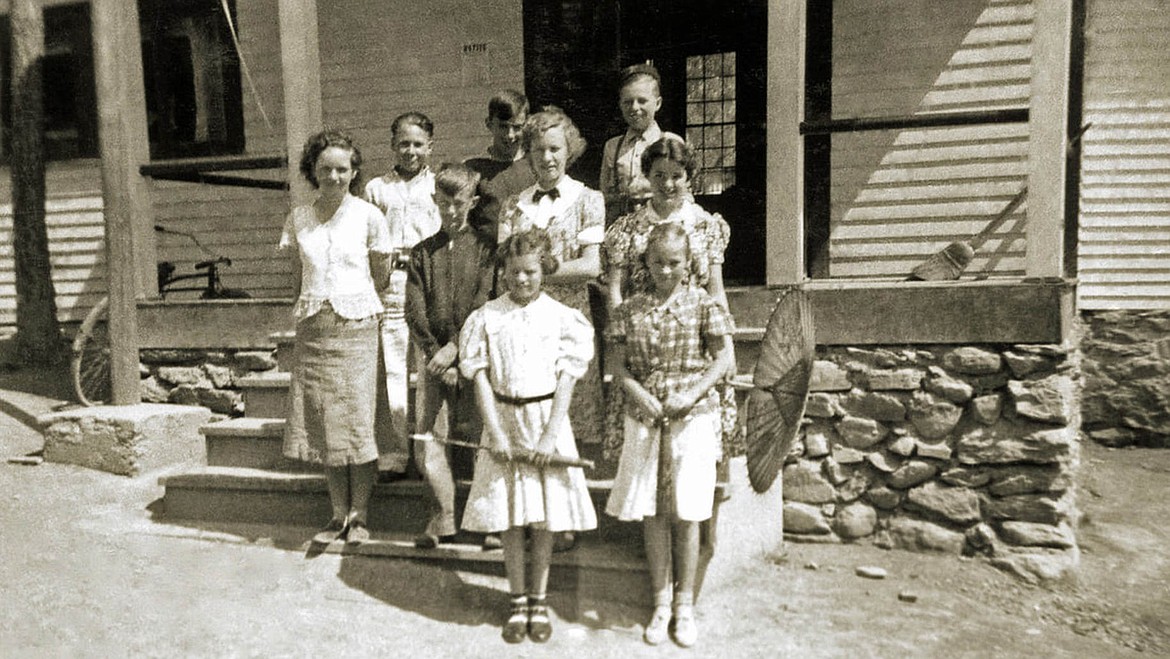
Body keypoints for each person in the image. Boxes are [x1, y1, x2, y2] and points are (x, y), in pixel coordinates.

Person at [459, 228, 598, 644]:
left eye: (531, 272)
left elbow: (567, 381)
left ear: (545, 271)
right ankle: (516, 599)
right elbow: (480, 379)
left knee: (543, 519)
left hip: (545, 424)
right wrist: (496, 433)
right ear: (503, 271)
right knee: (509, 518)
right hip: (503, 422)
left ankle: (539, 599)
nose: (522, 280)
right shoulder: (486, 317)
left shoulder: (561, 318)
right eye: (515, 272)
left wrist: (550, 437)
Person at [605, 222, 734, 648]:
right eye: (657, 261)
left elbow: (722, 361)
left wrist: (690, 394)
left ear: (688, 264)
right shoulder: (629, 310)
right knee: (653, 512)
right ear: (646, 262)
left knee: (688, 511)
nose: (665, 269)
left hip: (691, 418)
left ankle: (684, 606)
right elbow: (619, 368)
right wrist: (641, 396)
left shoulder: (703, 304)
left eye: (674, 262)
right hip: (645, 418)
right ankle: (660, 602)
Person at [280, 129, 392, 546]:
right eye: (325, 168)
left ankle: (360, 516)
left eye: (342, 169)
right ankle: (336, 513)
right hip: (313, 328)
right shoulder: (298, 218)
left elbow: (381, 276)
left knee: (358, 421)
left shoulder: (369, 216)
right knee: (326, 423)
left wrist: (351, 302)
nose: (333, 176)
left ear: (354, 171)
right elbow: (297, 277)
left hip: (357, 328)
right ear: (312, 170)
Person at [602, 136, 735, 461]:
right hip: (643, 340)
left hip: (692, 343)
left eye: (676, 175)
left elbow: (716, 289)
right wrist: (625, 339)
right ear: (647, 176)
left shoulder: (705, 225)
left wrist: (728, 348)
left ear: (689, 177)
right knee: (643, 449)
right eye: (659, 175)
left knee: (691, 451)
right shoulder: (628, 228)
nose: (667, 183)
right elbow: (615, 289)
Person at [498, 107, 605, 451]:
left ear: (569, 150)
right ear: (528, 152)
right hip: (524, 322)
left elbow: (590, 266)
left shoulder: (588, 200)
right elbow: (505, 268)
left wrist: (538, 270)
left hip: (569, 320)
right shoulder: (513, 207)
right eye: (539, 149)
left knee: (576, 414)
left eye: (555, 149)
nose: (547, 157)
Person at [405, 163, 498, 549]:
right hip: (433, 362)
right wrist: (434, 353)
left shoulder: (486, 250)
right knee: (429, 437)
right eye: (443, 203)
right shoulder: (422, 253)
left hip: (474, 359)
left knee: (482, 438)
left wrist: (457, 348)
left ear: (472, 201)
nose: (450, 211)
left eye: (458, 203)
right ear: (434, 200)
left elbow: (485, 302)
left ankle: (488, 520)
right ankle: (443, 515)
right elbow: (414, 308)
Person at [364, 112, 442, 482]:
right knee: (394, 371)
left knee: (428, 371)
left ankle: (428, 455)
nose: (410, 151)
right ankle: (394, 455)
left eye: (417, 144)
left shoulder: (438, 186)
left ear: (430, 146)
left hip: (427, 284)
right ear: (392, 145)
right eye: (403, 143)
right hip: (392, 285)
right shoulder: (377, 189)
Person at [599, 62, 682, 225]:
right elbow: (604, 195)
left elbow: (683, 193)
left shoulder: (670, 141)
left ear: (657, 103)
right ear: (620, 104)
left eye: (642, 101)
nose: (634, 107)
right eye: (628, 102)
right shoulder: (612, 147)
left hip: (662, 226)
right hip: (623, 229)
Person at [464, 90, 533, 240]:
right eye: (503, 126)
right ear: (489, 124)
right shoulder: (473, 169)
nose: (510, 135)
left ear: (526, 126)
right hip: (487, 258)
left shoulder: (535, 166)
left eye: (517, 127)